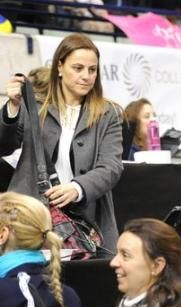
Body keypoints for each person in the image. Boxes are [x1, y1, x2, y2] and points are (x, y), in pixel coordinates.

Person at [0, 33, 124, 249]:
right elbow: (3, 144)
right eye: (78, 68)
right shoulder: (35, 106)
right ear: (59, 67)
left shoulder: (108, 113)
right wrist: (12, 107)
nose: (86, 76)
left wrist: (77, 188)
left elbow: (111, 167)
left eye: (92, 70)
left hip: (84, 222)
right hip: (29, 216)